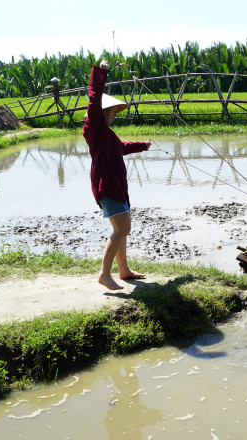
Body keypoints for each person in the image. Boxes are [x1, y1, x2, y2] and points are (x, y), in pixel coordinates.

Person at [83, 60, 151, 290]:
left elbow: (122, 148)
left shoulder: (109, 135)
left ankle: (123, 270)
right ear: (102, 112)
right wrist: (101, 72)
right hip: (107, 186)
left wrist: (143, 145)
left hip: (117, 186)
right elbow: (94, 97)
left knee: (123, 228)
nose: (114, 115)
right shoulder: (94, 129)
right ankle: (104, 274)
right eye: (111, 112)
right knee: (122, 229)